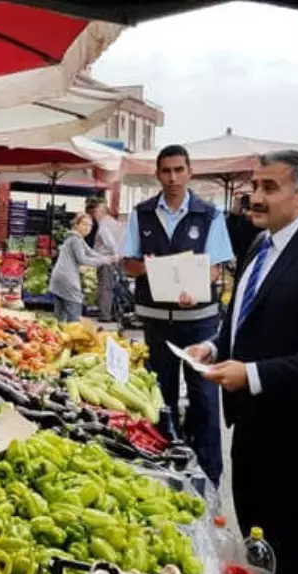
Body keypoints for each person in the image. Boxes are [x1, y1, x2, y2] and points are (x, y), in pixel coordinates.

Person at [187, 150, 298, 574]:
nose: (254, 197)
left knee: (285, 540)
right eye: (254, 186)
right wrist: (213, 345)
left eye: (269, 187)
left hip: (294, 427)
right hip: (250, 419)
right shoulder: (262, 243)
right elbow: (243, 316)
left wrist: (253, 374)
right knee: (253, 531)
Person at [122, 145, 234, 484]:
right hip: (155, 321)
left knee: (204, 399)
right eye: (166, 171)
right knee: (160, 397)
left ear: (189, 172)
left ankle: (209, 474)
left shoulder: (209, 214)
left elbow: (216, 268)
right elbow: (129, 263)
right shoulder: (140, 214)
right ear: (157, 174)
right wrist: (152, 269)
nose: (172, 177)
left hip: (198, 321)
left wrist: (195, 285)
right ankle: (163, 466)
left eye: (178, 170)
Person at [51, 213, 113, 322]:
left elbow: (90, 252)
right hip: (67, 279)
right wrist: (104, 260)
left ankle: (61, 335)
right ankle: (72, 337)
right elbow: (82, 259)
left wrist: (108, 258)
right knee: (74, 318)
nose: (87, 228)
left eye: (90, 225)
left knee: (60, 319)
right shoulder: (76, 240)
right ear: (76, 225)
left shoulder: (74, 238)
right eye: (84, 224)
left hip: (58, 279)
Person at [88, 198, 123, 322]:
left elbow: (110, 243)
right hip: (114, 260)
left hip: (107, 260)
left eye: (95, 213)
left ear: (101, 212)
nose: (93, 216)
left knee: (105, 287)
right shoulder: (116, 223)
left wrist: (115, 255)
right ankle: (112, 313)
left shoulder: (104, 225)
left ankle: (105, 315)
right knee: (112, 287)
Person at [227, 191, 264, 262]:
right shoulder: (240, 219)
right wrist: (233, 216)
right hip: (243, 262)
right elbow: (232, 244)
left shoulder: (262, 223)